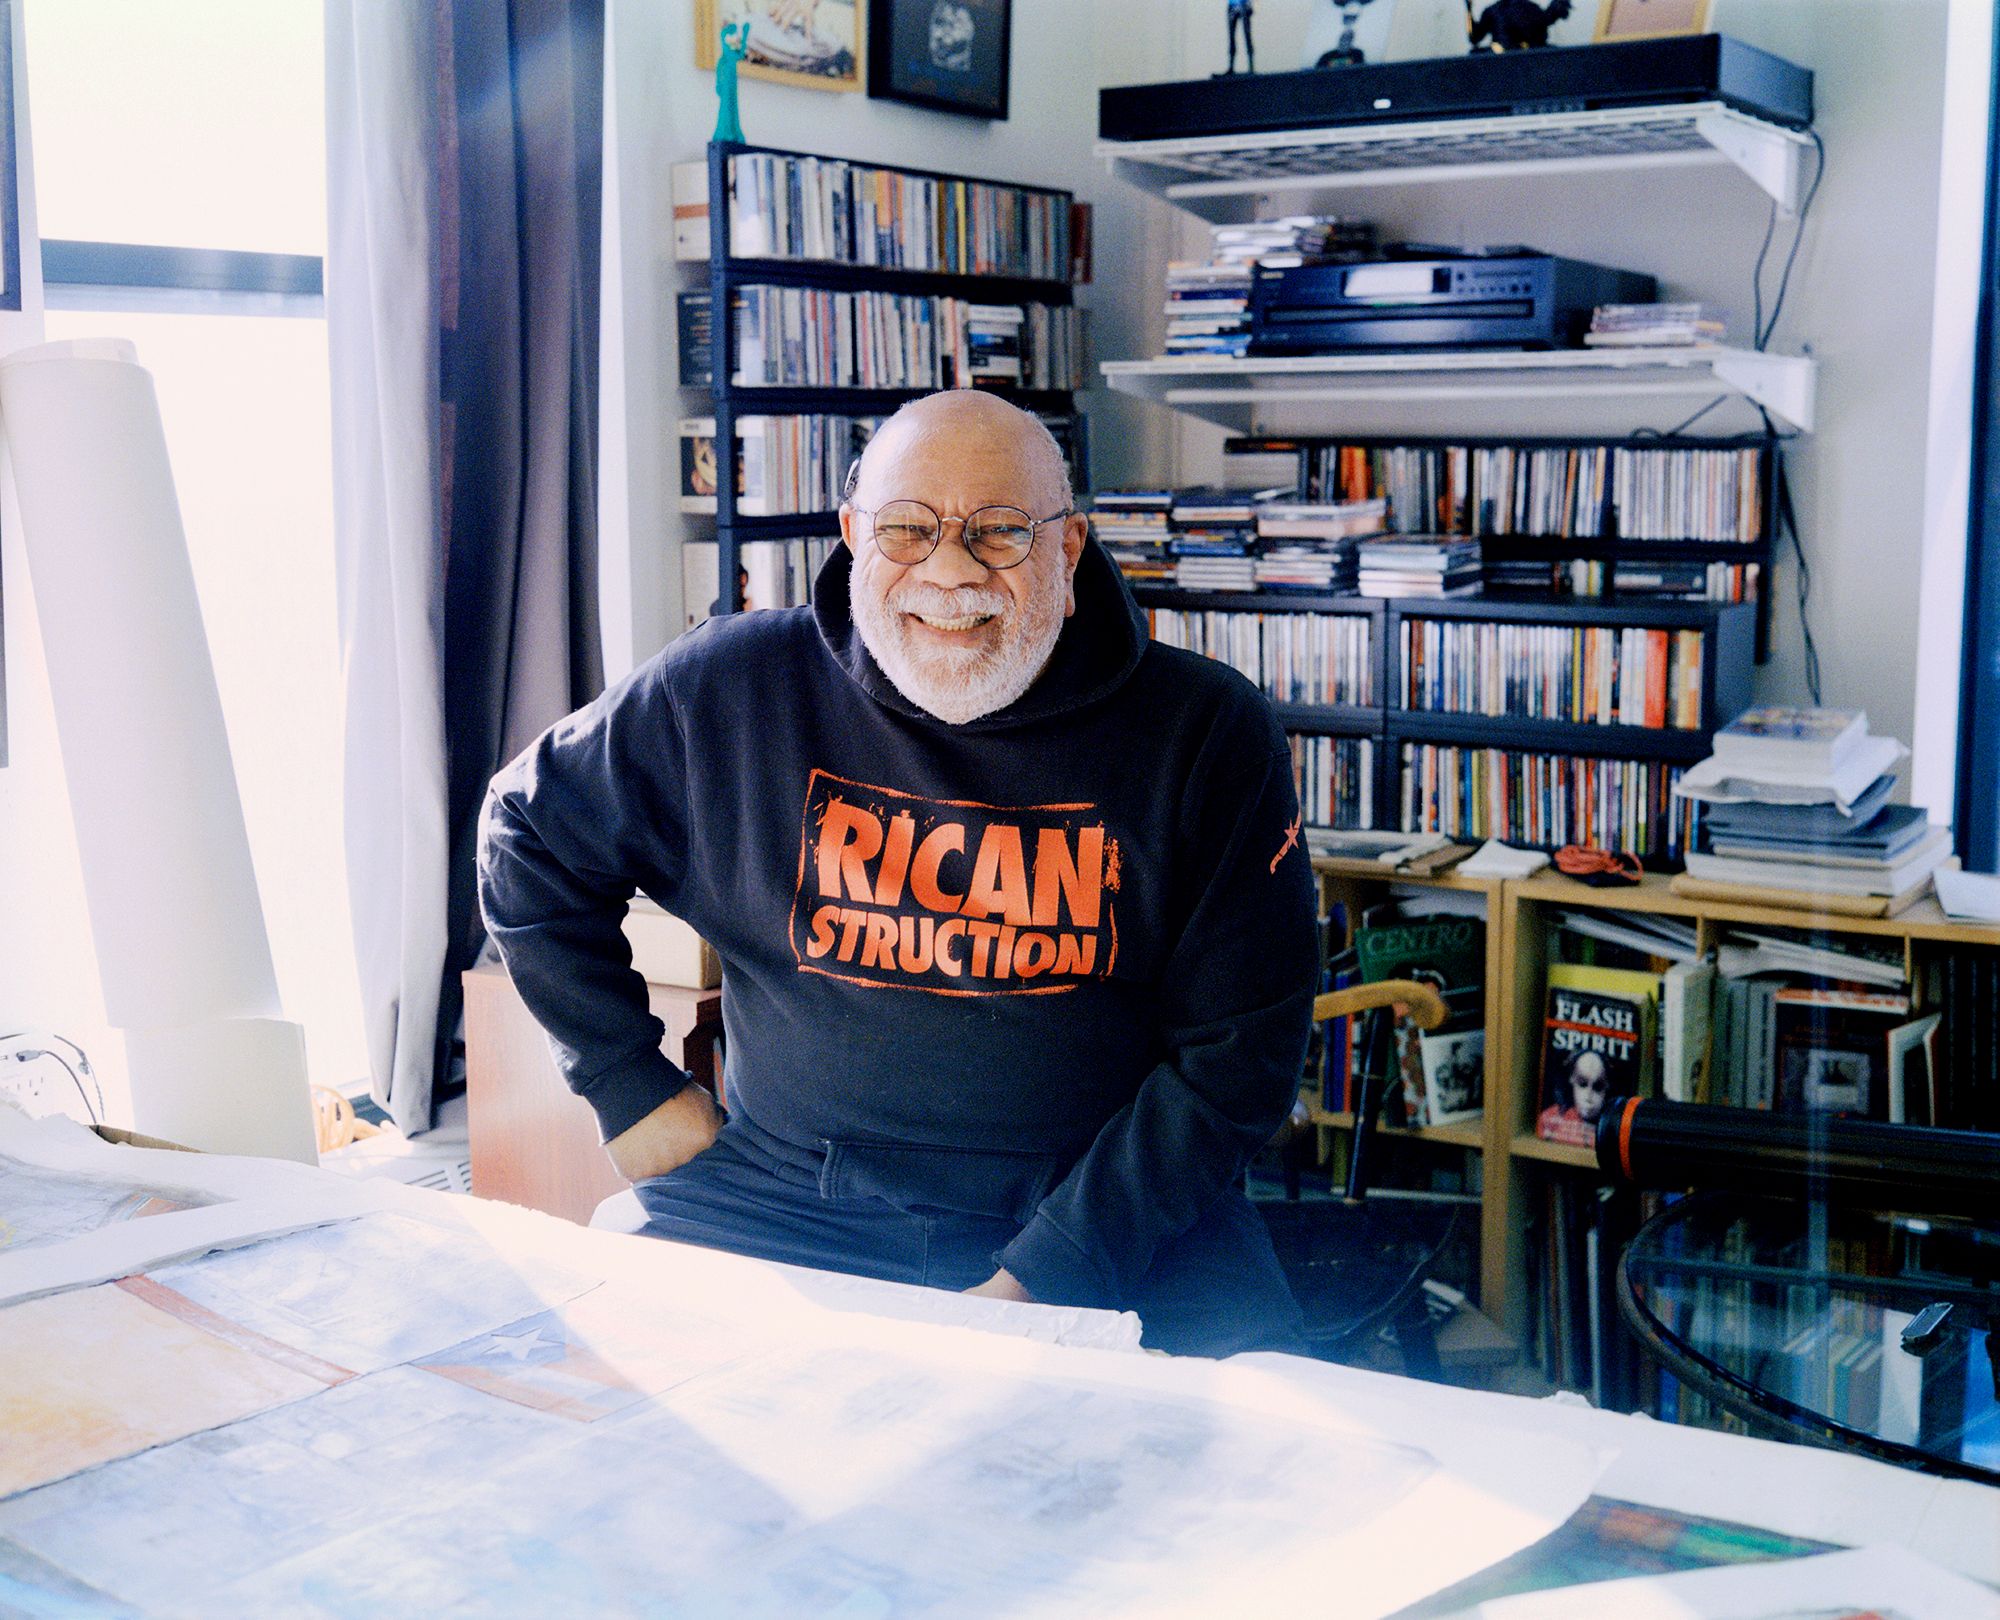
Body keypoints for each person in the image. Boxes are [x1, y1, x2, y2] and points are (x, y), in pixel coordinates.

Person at [478, 389, 1318, 1355]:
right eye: (907, 530)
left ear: (1069, 548)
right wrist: (627, 1086)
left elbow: (1239, 1060)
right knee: (632, 1442)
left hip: (1112, 1210)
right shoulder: (732, 687)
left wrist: (1049, 1277)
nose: (950, 571)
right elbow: (524, 831)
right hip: (786, 1197)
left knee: (1253, 1476)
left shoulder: (1207, 734)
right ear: (851, 533)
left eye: (1000, 532)